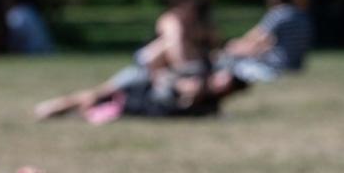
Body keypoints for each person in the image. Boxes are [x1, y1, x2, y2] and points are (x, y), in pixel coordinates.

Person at [33, 65, 249, 122]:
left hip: (140, 97)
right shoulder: (199, 74)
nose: (219, 81)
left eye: (225, 83)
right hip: (140, 83)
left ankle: (53, 110)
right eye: (223, 77)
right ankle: (51, 109)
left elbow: (178, 107)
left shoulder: (206, 103)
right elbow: (165, 74)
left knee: (93, 101)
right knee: (94, 96)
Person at [217, 0, 313, 83]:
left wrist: (231, 49)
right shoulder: (302, 16)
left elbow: (257, 39)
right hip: (296, 66)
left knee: (228, 64)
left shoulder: (278, 14)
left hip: (277, 68)